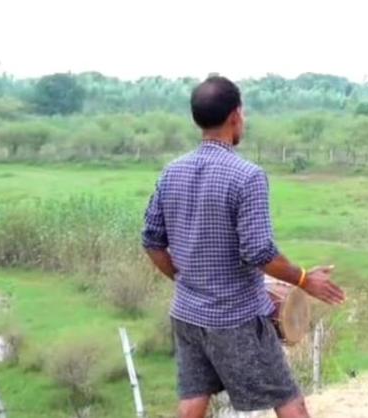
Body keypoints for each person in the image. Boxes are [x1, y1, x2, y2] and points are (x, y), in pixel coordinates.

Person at [141, 76, 346, 418]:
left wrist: (183, 278)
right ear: (235, 115)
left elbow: (151, 241)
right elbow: (259, 252)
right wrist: (305, 279)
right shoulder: (247, 176)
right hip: (236, 319)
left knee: (193, 399)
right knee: (289, 400)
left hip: (187, 315)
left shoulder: (171, 172)